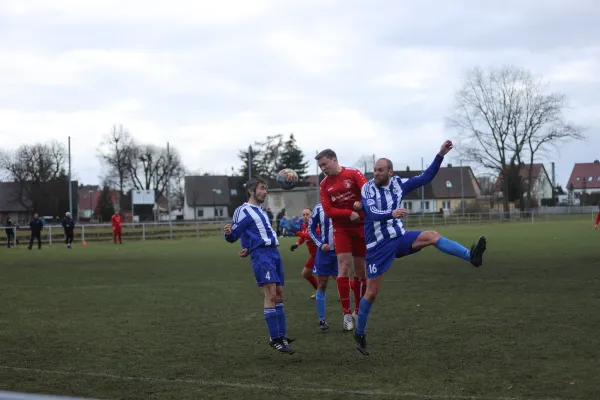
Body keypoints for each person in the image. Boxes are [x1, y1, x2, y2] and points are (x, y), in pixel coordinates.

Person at [354, 140, 487, 355]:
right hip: (378, 246)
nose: (376, 173)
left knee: (433, 236)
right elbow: (371, 213)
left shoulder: (398, 183)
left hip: (399, 238)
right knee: (371, 293)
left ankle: (470, 256)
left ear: (390, 171)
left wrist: (440, 155)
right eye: (375, 170)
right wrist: (392, 213)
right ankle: (359, 333)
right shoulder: (368, 188)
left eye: (380, 170)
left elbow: (425, 178)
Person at [224, 177, 295, 354]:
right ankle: (275, 339)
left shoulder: (261, 211)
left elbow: (251, 234)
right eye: (262, 188)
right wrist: (229, 235)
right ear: (251, 191)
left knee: (279, 294)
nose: (265, 192)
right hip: (261, 255)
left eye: (265, 189)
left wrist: (246, 247)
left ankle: (282, 336)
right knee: (270, 294)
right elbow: (235, 235)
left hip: (274, 253)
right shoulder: (243, 210)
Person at [315, 148, 369, 331]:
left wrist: (361, 205)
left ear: (334, 159)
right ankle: (346, 313)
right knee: (344, 265)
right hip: (341, 229)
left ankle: (357, 310)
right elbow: (329, 211)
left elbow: (370, 195)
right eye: (320, 165)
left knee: (360, 270)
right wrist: (349, 213)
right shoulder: (324, 185)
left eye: (324, 164)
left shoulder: (354, 174)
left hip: (361, 227)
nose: (322, 168)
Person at [308, 203, 339, 331]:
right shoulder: (318, 208)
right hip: (324, 253)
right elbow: (311, 228)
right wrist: (320, 244)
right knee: (322, 283)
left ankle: (348, 316)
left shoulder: (343, 205)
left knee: (343, 281)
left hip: (340, 253)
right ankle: (322, 320)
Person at [290, 208, 318, 298]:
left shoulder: (315, 225)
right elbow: (303, 236)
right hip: (314, 256)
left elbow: (310, 235)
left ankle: (355, 290)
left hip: (321, 255)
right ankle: (319, 292)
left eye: (307, 214)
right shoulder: (304, 225)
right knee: (306, 274)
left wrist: (297, 233)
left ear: (312, 215)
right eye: (304, 215)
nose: (305, 216)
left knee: (337, 276)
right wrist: (297, 244)